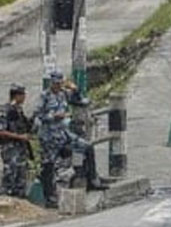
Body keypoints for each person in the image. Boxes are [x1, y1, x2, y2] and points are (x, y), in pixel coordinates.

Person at [35, 71, 105, 206]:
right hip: (49, 136)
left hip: (63, 133)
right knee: (48, 166)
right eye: (56, 83)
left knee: (87, 147)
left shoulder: (63, 93)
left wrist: (75, 89)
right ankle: (50, 198)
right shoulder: (44, 96)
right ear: (51, 83)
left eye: (60, 83)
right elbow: (37, 115)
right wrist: (53, 116)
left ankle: (92, 180)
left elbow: (80, 101)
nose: (58, 86)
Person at [0, 84, 33, 198]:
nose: (24, 97)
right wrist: (20, 137)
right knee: (10, 176)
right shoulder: (5, 110)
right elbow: (2, 131)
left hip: (21, 150)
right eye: (22, 94)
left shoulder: (19, 110)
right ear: (16, 95)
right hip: (10, 149)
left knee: (21, 178)